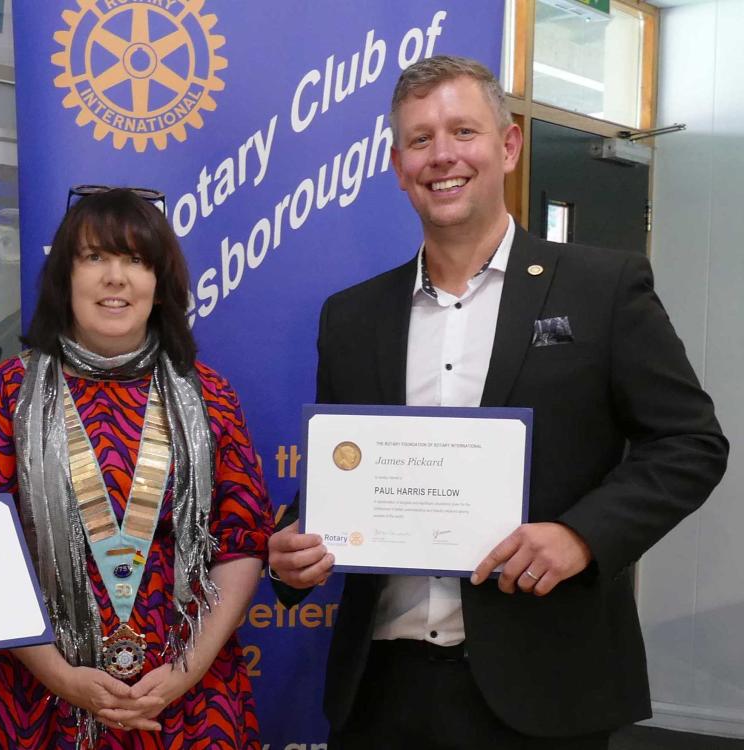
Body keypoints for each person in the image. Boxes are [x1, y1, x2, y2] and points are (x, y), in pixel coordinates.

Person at [269, 56, 728, 750]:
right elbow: (343, 473)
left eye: (463, 131)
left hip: (546, 689)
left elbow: (690, 443)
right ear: (398, 166)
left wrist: (581, 536)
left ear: (508, 146)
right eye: (419, 139)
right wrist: (293, 545)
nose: (442, 155)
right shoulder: (352, 317)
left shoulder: (602, 289)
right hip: (380, 694)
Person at [0, 187, 273, 748]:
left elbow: (241, 544)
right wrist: (60, 675)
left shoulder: (211, 398)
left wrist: (183, 673)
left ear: (159, 284)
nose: (115, 278)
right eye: (94, 257)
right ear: (65, 277)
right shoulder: (4, 395)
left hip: (186, 693)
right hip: (34, 693)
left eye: (136, 260)